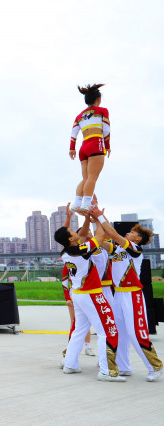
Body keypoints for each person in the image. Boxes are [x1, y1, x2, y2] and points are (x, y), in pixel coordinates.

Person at [90, 205, 163, 382]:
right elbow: (99, 240)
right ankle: (123, 367)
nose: (127, 233)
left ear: (138, 238)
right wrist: (95, 220)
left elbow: (113, 234)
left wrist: (100, 216)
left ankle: (155, 366)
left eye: (131, 232)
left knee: (136, 333)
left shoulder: (135, 249)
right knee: (118, 332)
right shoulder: (117, 249)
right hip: (118, 295)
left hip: (133, 295)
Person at [54, 217, 124, 382]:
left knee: (79, 331)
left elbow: (82, 234)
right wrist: (98, 219)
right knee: (106, 331)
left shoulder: (66, 252)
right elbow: (100, 237)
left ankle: (70, 364)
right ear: (71, 239)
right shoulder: (81, 250)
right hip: (91, 294)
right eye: (72, 231)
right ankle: (106, 371)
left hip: (79, 295)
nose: (76, 232)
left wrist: (86, 218)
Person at [69, 84, 111, 212]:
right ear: (98, 99)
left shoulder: (79, 116)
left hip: (83, 147)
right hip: (95, 143)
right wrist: (107, 146)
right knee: (93, 177)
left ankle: (77, 202)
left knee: (86, 178)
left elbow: (74, 133)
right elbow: (106, 130)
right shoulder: (103, 111)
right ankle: (86, 204)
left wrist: (72, 148)